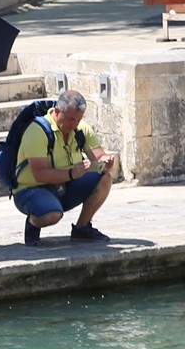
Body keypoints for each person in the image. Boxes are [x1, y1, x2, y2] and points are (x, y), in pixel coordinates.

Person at [13, 89, 114, 246]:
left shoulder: (81, 129)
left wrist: (106, 162)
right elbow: (39, 174)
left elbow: (99, 157)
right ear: (57, 111)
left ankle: (82, 228)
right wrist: (71, 173)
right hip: (31, 190)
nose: (74, 125)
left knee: (104, 178)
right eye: (70, 119)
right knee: (51, 215)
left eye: (78, 120)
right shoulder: (36, 131)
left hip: (64, 186)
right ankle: (33, 222)